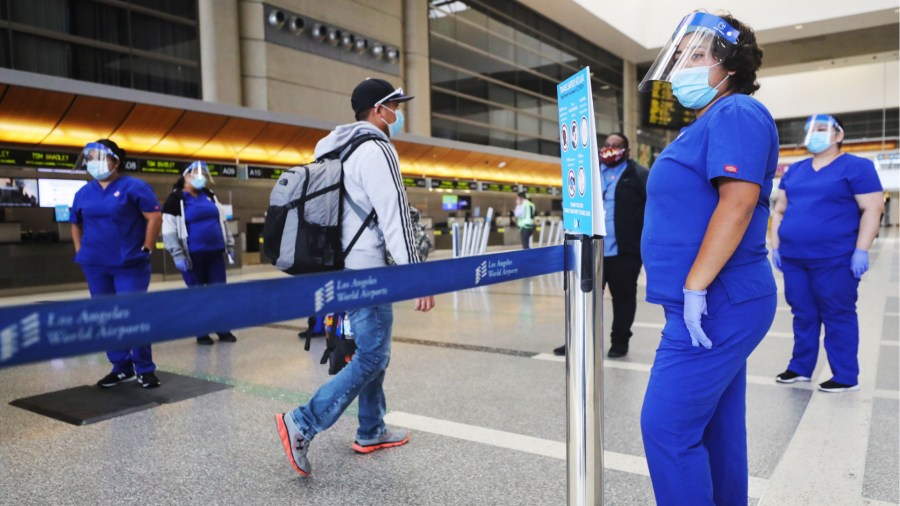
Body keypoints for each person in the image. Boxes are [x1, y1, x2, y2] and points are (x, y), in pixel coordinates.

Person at [636, 12, 778, 505]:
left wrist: (695, 286)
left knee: (666, 429)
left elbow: (737, 205)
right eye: (680, 56)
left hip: (718, 298)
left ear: (730, 65)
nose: (682, 66)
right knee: (716, 430)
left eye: (696, 56)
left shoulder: (737, 112)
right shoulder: (704, 122)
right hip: (708, 299)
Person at [275, 78, 435, 477]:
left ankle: (371, 429)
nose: (398, 114)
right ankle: (303, 422)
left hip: (340, 265)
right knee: (372, 354)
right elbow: (394, 214)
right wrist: (419, 276)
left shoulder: (336, 147)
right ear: (378, 110)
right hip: (368, 269)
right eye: (395, 106)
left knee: (370, 348)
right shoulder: (377, 150)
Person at [770, 114, 884, 392]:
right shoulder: (795, 170)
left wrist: (861, 250)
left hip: (835, 258)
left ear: (839, 135)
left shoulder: (857, 167)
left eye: (821, 129)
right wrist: (775, 246)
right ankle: (800, 368)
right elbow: (780, 210)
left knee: (837, 313)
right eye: (809, 130)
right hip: (795, 258)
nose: (813, 134)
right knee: (803, 312)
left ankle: (845, 375)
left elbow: (873, 208)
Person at [69, 140, 163, 389]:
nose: (93, 162)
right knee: (107, 317)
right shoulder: (83, 193)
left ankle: (144, 368)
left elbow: (154, 216)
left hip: (129, 264)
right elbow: (75, 222)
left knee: (133, 314)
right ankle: (121, 367)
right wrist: (81, 250)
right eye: (89, 158)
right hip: (96, 266)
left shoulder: (134, 187)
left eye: (98, 157)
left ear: (115, 161)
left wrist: (147, 246)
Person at [554, 133, 649, 358]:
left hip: (624, 252)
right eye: (607, 145)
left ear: (626, 150)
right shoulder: (591, 173)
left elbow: (653, 207)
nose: (610, 149)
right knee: (582, 296)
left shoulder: (638, 175)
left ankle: (619, 342)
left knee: (623, 298)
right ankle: (575, 341)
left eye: (616, 146)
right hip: (590, 250)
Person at [162, 161, 238, 345]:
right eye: (196, 173)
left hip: (215, 254)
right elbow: (168, 229)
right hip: (192, 257)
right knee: (197, 295)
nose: (200, 176)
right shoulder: (176, 200)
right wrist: (177, 254)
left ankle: (222, 329)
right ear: (185, 176)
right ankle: (201, 332)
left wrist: (229, 244)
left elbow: (223, 221)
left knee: (218, 293)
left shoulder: (210, 195)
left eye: (203, 173)